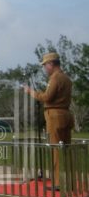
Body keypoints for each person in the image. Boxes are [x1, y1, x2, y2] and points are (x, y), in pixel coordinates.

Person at [23, 51, 73, 187]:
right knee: (65, 149)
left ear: (51, 64)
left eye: (45, 65)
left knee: (56, 150)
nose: (45, 68)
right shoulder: (67, 78)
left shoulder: (55, 78)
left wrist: (31, 92)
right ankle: (68, 181)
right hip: (66, 115)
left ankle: (58, 183)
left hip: (56, 116)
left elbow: (47, 97)